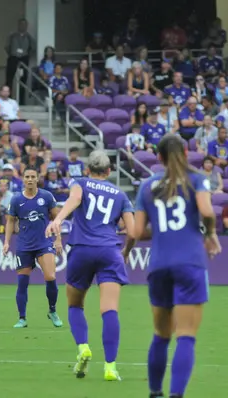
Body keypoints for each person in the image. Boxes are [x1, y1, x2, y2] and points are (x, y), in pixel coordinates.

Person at [128, 134, 219, 398]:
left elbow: (135, 231)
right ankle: (176, 394)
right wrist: (209, 234)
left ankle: (155, 392)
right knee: (186, 335)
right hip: (190, 263)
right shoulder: (197, 179)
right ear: (186, 154)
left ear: (159, 157)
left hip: (159, 264)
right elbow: (207, 211)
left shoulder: (147, 185)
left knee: (161, 334)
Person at [45, 150, 135, 381]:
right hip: (109, 251)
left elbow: (74, 200)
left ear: (87, 169)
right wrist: (126, 250)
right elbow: (133, 231)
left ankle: (83, 347)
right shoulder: (121, 195)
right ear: (109, 171)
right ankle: (110, 366)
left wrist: (57, 219)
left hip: (82, 250)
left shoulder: (81, 183)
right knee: (110, 310)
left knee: (75, 305)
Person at [3, 167, 63, 328]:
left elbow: (56, 219)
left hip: (44, 243)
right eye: (27, 176)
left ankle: (52, 310)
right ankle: (22, 318)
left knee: (50, 276)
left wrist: (58, 239)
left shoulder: (46, 196)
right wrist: (6, 242)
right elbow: (10, 221)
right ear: (23, 179)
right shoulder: (16, 200)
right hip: (24, 245)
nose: (30, 179)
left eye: (32, 176)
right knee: (22, 282)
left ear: (37, 179)